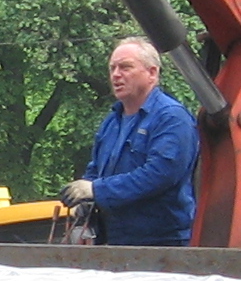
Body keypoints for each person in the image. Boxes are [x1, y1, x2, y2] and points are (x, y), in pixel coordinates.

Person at [61, 37, 197, 246]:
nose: (116, 75)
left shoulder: (171, 118)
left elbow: (159, 174)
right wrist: (85, 199)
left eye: (125, 67)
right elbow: (95, 170)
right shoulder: (112, 121)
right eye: (112, 68)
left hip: (161, 244)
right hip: (113, 241)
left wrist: (97, 190)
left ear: (152, 73)